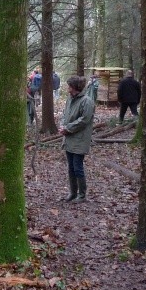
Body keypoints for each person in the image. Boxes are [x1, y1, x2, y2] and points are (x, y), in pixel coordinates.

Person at [59, 75, 96, 203]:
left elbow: (84, 120)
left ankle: (82, 195)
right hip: (69, 138)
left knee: (77, 166)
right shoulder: (70, 99)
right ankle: (73, 193)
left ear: (75, 87)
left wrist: (68, 128)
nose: (67, 88)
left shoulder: (87, 101)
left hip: (80, 139)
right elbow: (65, 114)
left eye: (69, 86)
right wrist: (62, 125)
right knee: (71, 167)